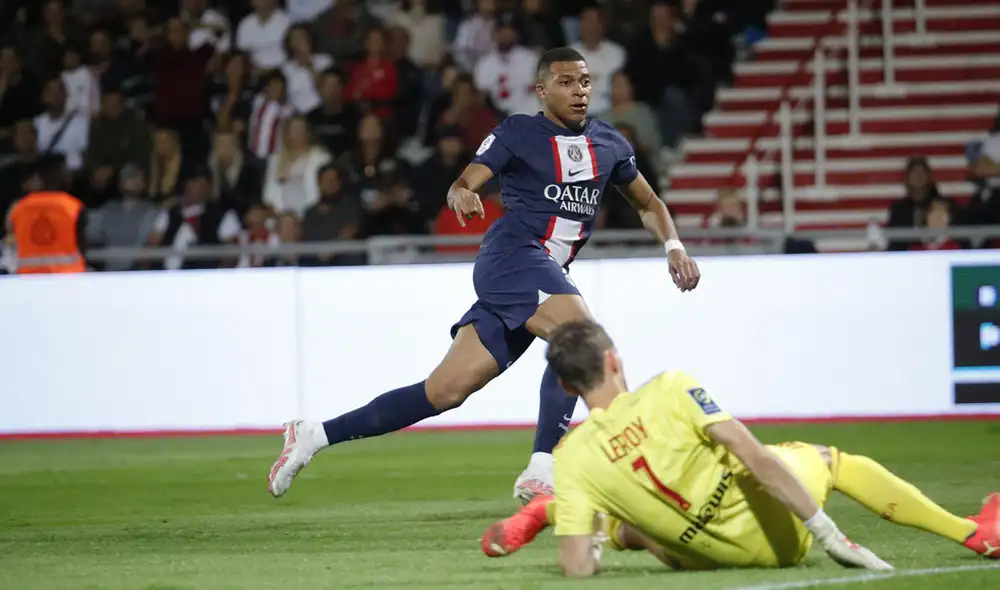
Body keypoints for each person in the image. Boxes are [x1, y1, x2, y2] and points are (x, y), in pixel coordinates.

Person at [267, 47, 700, 503]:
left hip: (540, 274)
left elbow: (650, 203)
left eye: (586, 82)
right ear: (541, 89)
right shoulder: (518, 131)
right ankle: (544, 467)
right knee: (581, 338)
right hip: (512, 255)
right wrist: (461, 194)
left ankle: (313, 434)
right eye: (566, 82)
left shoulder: (610, 143)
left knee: (444, 390)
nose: (579, 91)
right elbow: (466, 180)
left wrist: (674, 247)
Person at [480, 321, 1000, 576]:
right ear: (615, 360)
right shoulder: (670, 387)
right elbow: (757, 458)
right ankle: (972, 533)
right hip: (781, 532)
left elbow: (576, 570)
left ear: (568, 389)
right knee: (827, 460)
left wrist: (588, 547)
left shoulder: (572, 457)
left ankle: (553, 511)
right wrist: (829, 533)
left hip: (702, 560)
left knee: (641, 521)